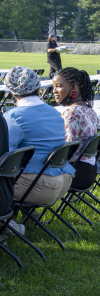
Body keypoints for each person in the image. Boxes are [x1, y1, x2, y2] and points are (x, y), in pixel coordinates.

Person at [3, 66, 75, 210]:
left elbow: (5, 157)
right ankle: (26, 217)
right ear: (38, 87)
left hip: (37, 185)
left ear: (12, 92)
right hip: (64, 180)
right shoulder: (54, 112)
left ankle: (9, 225)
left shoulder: (14, 117)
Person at [52, 68, 99, 190]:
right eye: (53, 87)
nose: (54, 91)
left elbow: (66, 149)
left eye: (59, 86)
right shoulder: (90, 111)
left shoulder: (71, 112)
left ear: (74, 87)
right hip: (90, 170)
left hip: (75, 173)